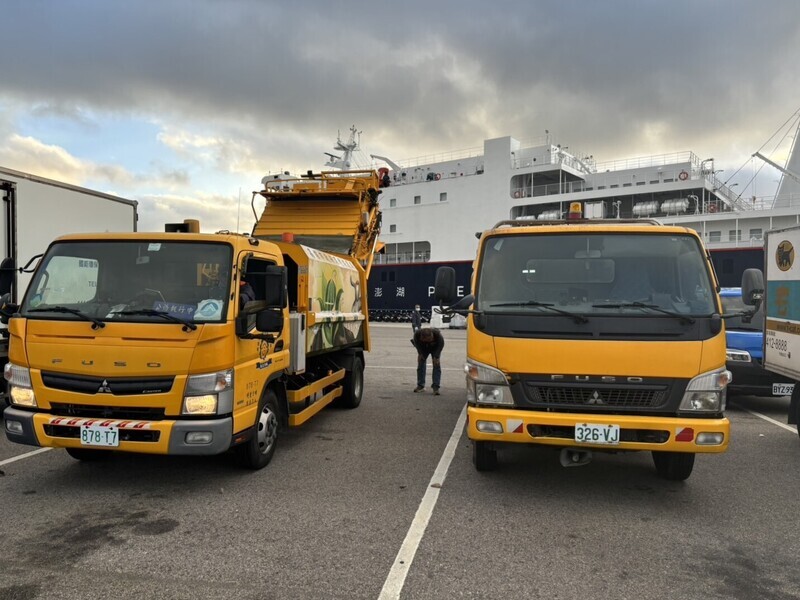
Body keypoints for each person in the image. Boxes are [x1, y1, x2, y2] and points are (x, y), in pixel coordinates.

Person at [412, 326, 444, 395]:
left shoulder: (438, 335)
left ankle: (436, 387)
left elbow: (440, 345)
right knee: (421, 364)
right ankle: (420, 386)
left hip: (435, 348)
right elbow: (417, 344)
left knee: (436, 365)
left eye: (430, 339)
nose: (430, 340)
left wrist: (436, 356)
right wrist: (420, 353)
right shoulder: (417, 334)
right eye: (427, 340)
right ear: (422, 337)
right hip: (423, 348)